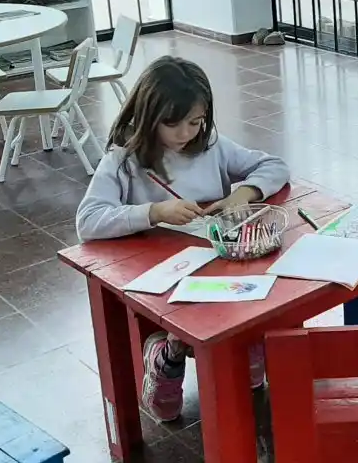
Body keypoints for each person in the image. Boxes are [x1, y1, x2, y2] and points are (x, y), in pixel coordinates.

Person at [75, 56, 290, 422]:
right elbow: (88, 221)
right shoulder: (123, 161)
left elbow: (275, 166)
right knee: (168, 407)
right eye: (173, 124)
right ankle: (166, 356)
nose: (185, 134)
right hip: (162, 279)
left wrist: (244, 194)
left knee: (257, 321)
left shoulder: (211, 146)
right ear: (147, 116)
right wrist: (153, 212)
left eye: (195, 121)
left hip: (219, 270)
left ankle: (239, 360)